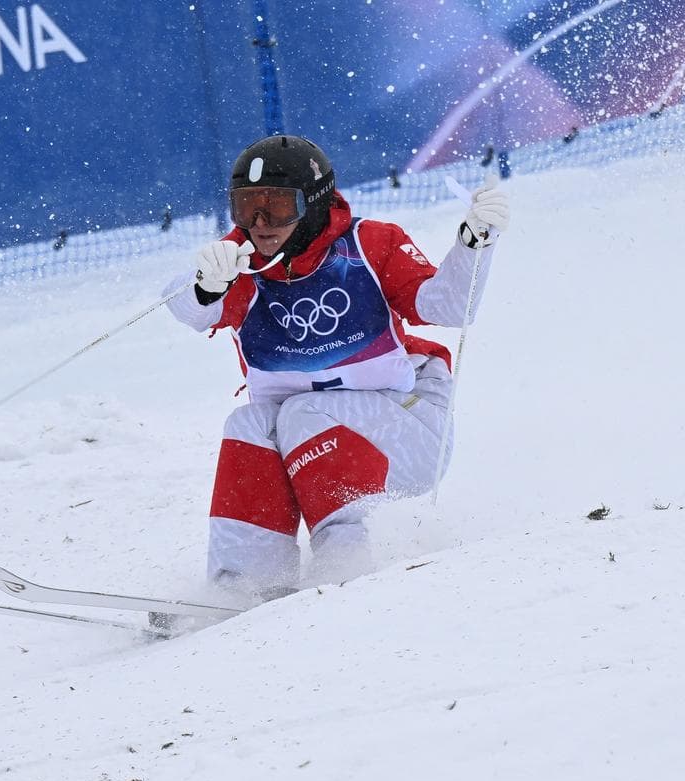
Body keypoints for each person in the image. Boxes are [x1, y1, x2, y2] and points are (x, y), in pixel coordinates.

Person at [165, 134, 509, 597]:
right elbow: (191, 309)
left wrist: (473, 245)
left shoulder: (369, 244)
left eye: (277, 207)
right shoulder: (241, 263)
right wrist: (205, 285)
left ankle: (346, 563)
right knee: (247, 423)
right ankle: (246, 582)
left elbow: (449, 306)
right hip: (312, 435)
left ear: (313, 205)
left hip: (411, 426)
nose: (261, 224)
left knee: (301, 412)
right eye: (247, 208)